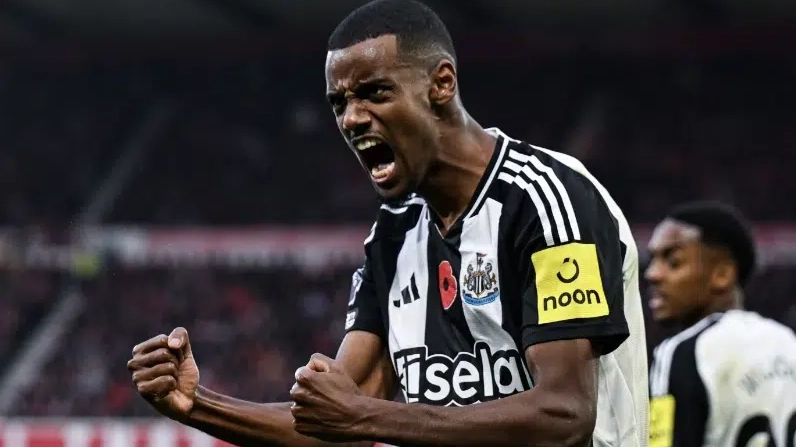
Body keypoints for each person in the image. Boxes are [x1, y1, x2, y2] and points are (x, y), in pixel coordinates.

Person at [127, 0, 649, 446]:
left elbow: (564, 415)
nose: (351, 118)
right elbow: (335, 419)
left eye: (374, 92)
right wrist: (197, 404)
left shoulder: (546, 199)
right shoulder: (394, 235)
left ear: (441, 84)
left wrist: (365, 416)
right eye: (339, 102)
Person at [645, 201, 796, 447]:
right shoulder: (788, 342)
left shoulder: (683, 352)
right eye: (653, 260)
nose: (652, 274)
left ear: (722, 275)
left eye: (673, 262)